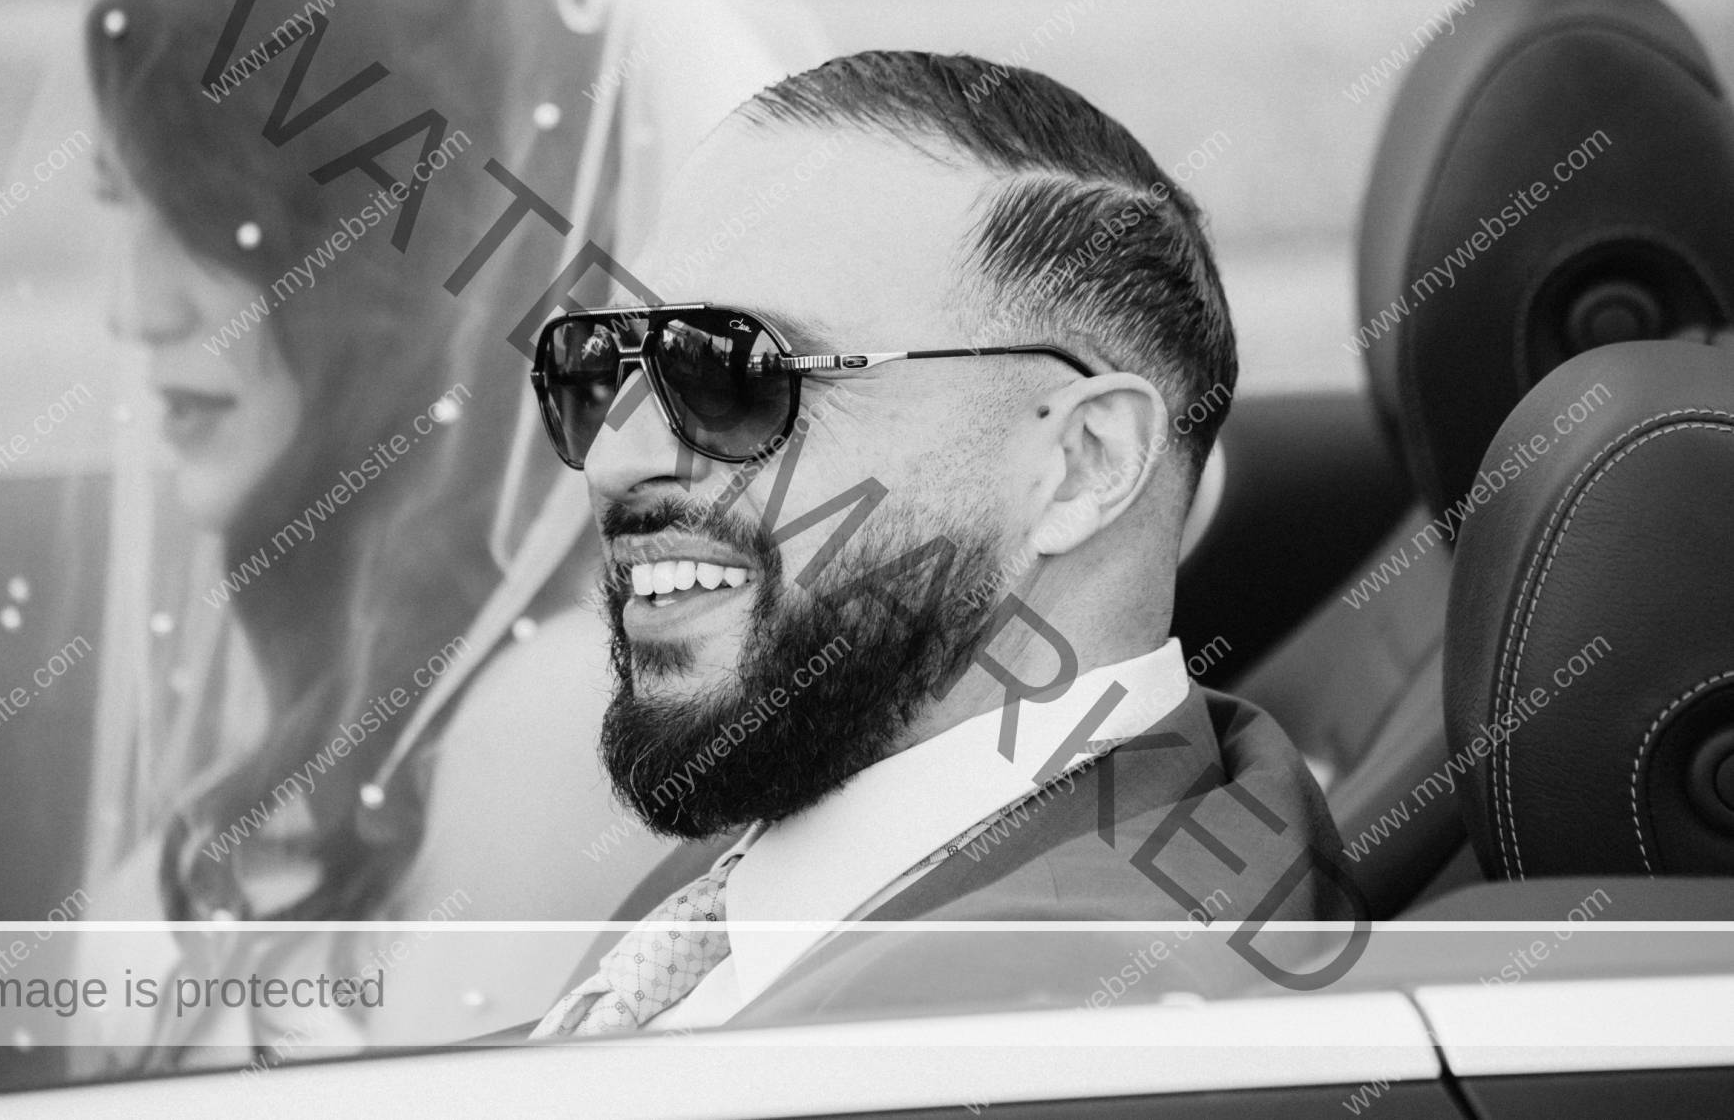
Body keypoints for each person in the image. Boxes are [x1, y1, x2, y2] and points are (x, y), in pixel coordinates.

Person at [0, 0, 824, 1061]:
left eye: (206, 222)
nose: (135, 311)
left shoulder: (551, 722)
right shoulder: (317, 677)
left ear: (388, 274)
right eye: (120, 209)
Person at [524, 51, 1351, 1037]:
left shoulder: (1046, 1031)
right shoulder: (829, 818)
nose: (614, 459)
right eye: (600, 365)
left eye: (733, 373)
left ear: (1083, 465)